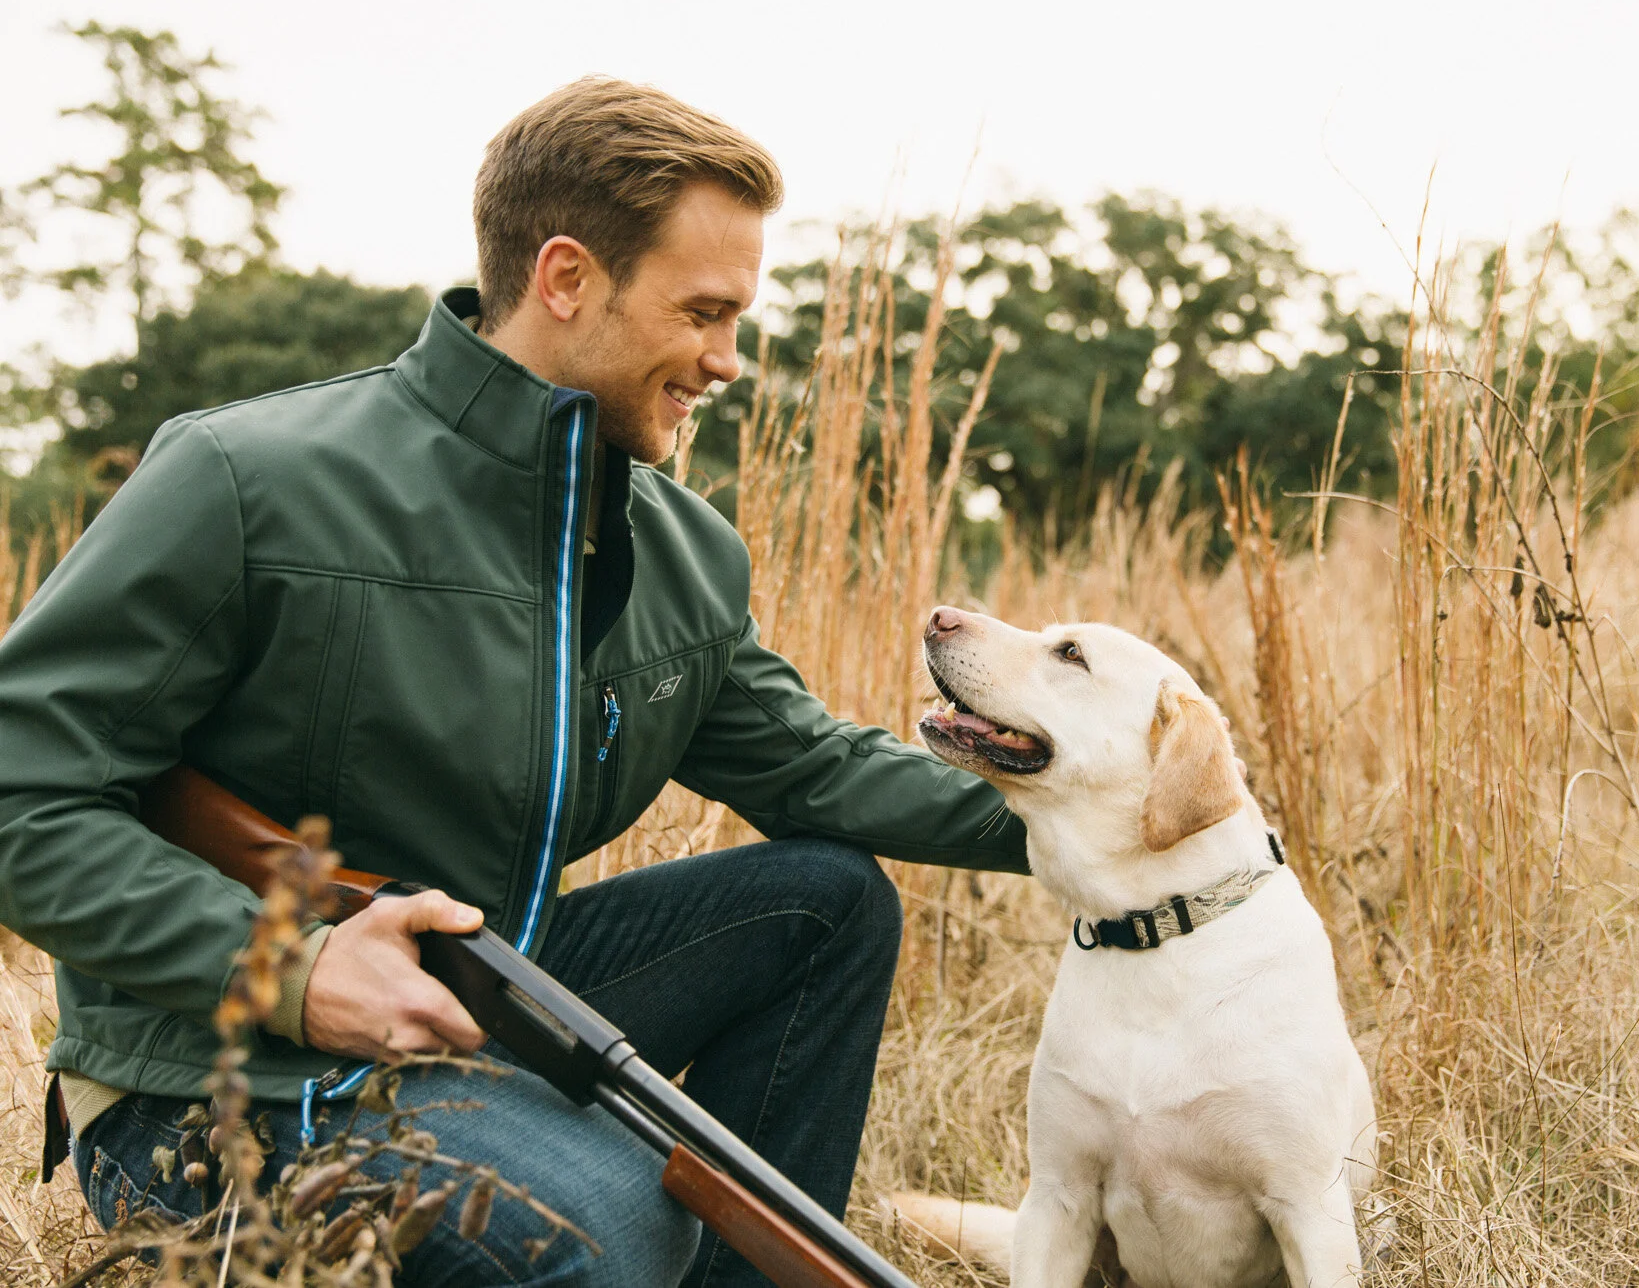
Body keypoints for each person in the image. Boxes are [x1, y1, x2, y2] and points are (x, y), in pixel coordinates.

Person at [0, 77, 1027, 1286]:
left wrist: (1133, 819)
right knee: (619, 1231)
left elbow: (817, 768)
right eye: (703, 312)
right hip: (220, 1076)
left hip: (484, 999)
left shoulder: (686, 555)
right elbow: (23, 792)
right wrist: (292, 965)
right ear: (566, 278)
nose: (729, 360)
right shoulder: (245, 478)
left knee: (823, 901)